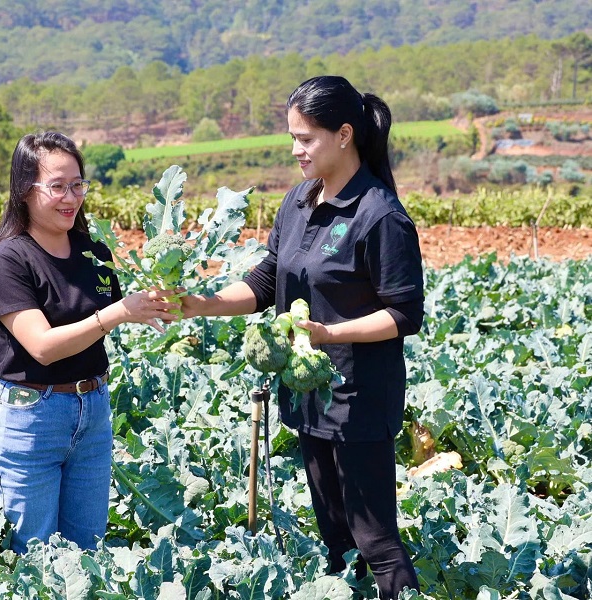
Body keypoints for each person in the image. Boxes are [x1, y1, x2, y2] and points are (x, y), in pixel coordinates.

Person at [181, 76, 424, 599]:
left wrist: (330, 332)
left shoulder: (380, 215)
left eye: (306, 138)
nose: (297, 150)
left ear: (343, 134)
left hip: (359, 398)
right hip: (309, 393)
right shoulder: (298, 201)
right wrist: (204, 306)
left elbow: (404, 313)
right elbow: (270, 277)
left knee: (375, 538)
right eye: (292, 138)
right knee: (334, 532)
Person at [0, 131, 178, 554]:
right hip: (33, 419)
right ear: (24, 191)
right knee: (32, 560)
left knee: (87, 554)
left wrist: (162, 301)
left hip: (94, 413)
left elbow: (114, 311)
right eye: (57, 186)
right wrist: (119, 312)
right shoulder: (8, 261)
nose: (71, 196)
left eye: (77, 185)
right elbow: (44, 346)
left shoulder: (95, 253)